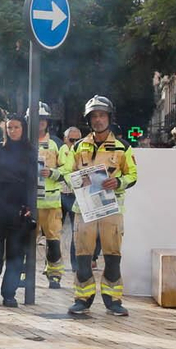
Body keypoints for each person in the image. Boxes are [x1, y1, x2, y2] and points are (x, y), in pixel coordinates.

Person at [67, 96, 137, 317]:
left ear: (109, 117)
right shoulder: (78, 146)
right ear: (89, 120)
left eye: (102, 115)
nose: (98, 120)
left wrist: (118, 182)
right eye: (94, 116)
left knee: (113, 255)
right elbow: (68, 173)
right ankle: (82, 299)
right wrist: (79, 180)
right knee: (83, 255)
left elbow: (133, 175)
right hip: (84, 210)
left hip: (112, 210)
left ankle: (113, 300)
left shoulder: (122, 147)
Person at [0, 116, 35, 307]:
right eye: (9, 127)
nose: (12, 131)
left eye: (16, 127)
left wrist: (30, 207)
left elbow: (32, 181)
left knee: (15, 253)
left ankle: (9, 294)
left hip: (19, 208)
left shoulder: (29, 151)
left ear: (23, 129)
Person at [35, 103, 72, 289]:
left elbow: (68, 167)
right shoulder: (24, 142)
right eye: (36, 118)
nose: (39, 122)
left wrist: (53, 173)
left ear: (47, 122)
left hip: (51, 202)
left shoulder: (57, 144)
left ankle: (55, 273)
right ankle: (25, 273)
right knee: (26, 240)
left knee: (53, 241)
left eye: (42, 119)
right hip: (30, 202)